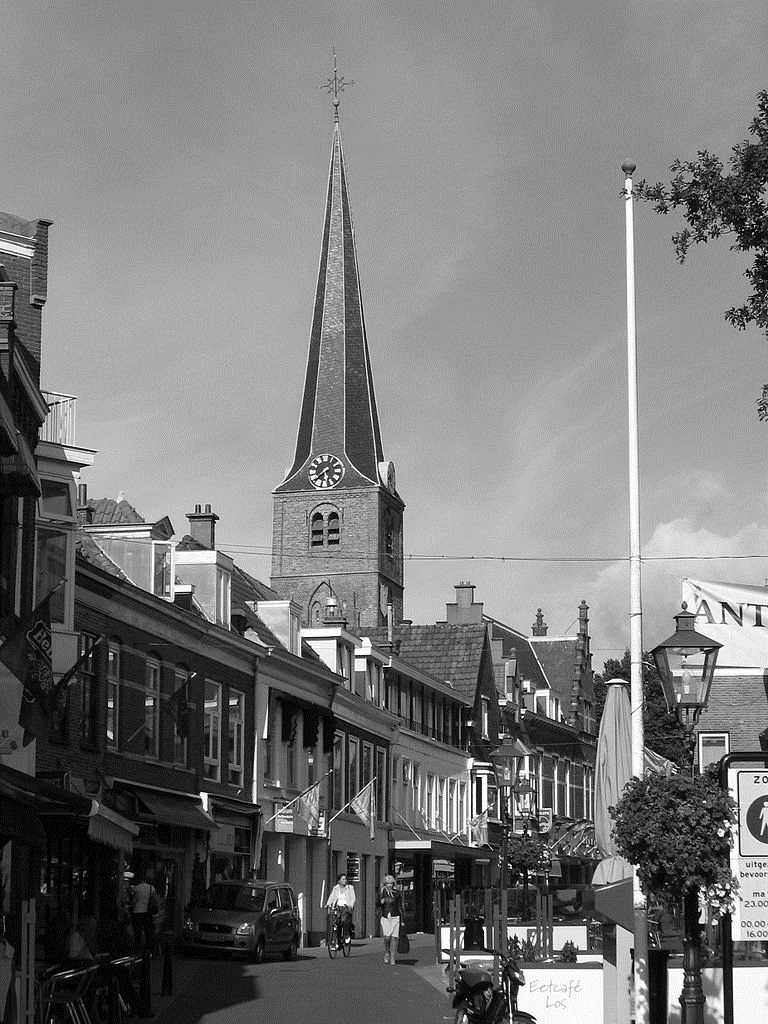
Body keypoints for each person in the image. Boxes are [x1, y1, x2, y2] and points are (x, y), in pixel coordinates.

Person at [376, 875, 404, 966]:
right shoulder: (381, 892)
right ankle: (387, 951)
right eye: (387, 883)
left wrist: (403, 918)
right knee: (387, 937)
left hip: (395, 916)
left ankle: (392, 957)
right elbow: (377, 904)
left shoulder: (397, 892)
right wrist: (381, 902)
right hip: (385, 916)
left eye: (391, 883)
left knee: (394, 938)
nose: (389, 885)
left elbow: (400, 905)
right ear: (385, 884)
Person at [131, 871, 158, 955]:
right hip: (147, 912)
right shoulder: (151, 888)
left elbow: (134, 900)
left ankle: (137, 949)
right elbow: (155, 900)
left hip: (137, 911)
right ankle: (149, 949)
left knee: (137, 932)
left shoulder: (136, 888)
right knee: (148, 931)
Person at [326, 873, 356, 946]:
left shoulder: (350, 888)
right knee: (336, 923)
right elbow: (332, 897)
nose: (345, 881)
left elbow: (353, 898)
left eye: (345, 879)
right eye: (343, 879)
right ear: (339, 881)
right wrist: (328, 904)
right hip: (338, 907)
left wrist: (351, 905)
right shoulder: (335, 888)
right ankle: (337, 941)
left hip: (346, 907)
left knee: (344, 920)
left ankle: (346, 935)